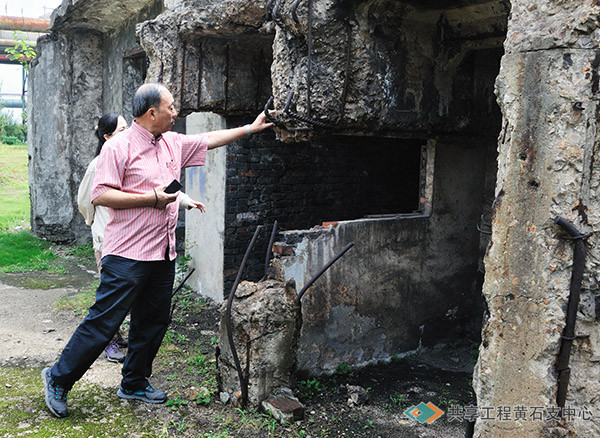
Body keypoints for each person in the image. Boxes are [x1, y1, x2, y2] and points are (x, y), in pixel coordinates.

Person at [42, 82, 273, 418]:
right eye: (171, 107)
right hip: (126, 255)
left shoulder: (170, 143)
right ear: (152, 113)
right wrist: (151, 199)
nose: (175, 112)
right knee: (104, 322)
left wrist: (251, 127)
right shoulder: (118, 148)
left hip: (162, 253)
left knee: (153, 322)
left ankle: (134, 382)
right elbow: (101, 195)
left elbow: (207, 140)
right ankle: (59, 378)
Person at [76, 113, 206, 363]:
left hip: (137, 243)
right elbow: (87, 201)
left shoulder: (137, 154)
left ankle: (130, 363)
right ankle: (110, 341)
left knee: (137, 302)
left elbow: (161, 187)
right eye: (122, 129)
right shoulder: (100, 163)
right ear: (107, 136)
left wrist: (184, 200)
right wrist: (96, 223)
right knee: (111, 303)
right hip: (110, 240)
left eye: (128, 127)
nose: (128, 132)